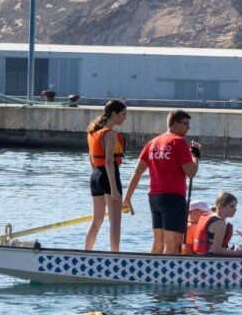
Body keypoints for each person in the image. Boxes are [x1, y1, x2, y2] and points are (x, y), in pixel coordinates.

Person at [123, 109, 200, 255]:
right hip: (173, 198)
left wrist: (127, 197)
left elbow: (137, 172)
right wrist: (196, 156)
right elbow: (191, 172)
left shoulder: (152, 143)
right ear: (175, 124)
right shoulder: (179, 142)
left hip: (155, 198)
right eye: (186, 124)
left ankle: (148, 274)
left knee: (158, 243)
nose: (188, 127)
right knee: (173, 245)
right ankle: (169, 276)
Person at [84, 99, 127, 252]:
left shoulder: (93, 131)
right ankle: (114, 255)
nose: (124, 118)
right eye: (123, 114)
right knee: (115, 221)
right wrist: (114, 188)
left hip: (95, 175)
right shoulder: (110, 134)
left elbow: (91, 158)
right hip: (109, 176)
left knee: (97, 220)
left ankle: (86, 252)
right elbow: (109, 162)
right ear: (114, 114)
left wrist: (97, 175)